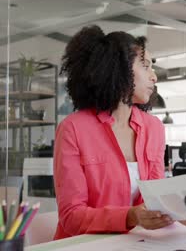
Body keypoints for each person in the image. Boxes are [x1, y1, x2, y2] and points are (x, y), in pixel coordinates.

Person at [53, 25, 173, 239]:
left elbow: (157, 199)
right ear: (119, 69)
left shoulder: (154, 128)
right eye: (145, 66)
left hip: (133, 243)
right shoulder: (73, 128)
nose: (154, 77)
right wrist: (131, 216)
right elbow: (71, 216)